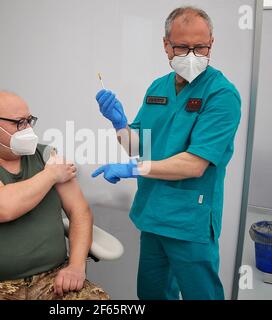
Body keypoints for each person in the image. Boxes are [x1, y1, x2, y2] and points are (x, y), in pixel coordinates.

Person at [92, 6, 241, 300]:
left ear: (211, 42)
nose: (192, 55)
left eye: (200, 47)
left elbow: (195, 164)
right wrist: (119, 123)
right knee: (152, 293)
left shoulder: (222, 95)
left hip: (190, 221)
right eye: (182, 47)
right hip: (153, 214)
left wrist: (134, 169)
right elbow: (137, 146)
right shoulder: (157, 88)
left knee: (202, 295)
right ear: (166, 45)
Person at [0, 91, 109, 300]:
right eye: (19, 123)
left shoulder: (46, 156)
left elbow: (80, 211)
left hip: (52, 279)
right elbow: (2, 207)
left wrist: (76, 266)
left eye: (29, 121)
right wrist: (51, 175)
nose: (28, 129)